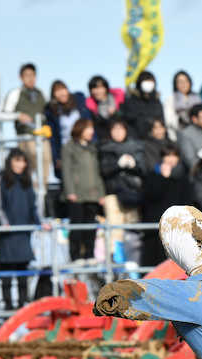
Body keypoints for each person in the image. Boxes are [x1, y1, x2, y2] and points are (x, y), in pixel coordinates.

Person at [0, 148, 39, 311]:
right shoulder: (1, 179)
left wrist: (39, 222)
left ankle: (22, 304)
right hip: (7, 233)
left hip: (23, 232)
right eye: (17, 160)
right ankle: (8, 304)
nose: (20, 164)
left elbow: (33, 206)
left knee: (23, 270)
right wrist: (4, 223)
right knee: (6, 269)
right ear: (10, 161)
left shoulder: (27, 181)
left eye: (23, 161)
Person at [99, 120, 146, 267]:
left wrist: (134, 165)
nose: (118, 132)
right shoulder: (105, 149)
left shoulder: (137, 147)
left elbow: (144, 170)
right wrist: (117, 165)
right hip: (113, 194)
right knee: (115, 231)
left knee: (133, 230)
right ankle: (117, 264)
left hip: (133, 194)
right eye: (114, 129)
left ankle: (134, 264)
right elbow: (103, 171)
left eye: (121, 129)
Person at [61, 119, 105, 261]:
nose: (91, 132)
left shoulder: (92, 148)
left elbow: (97, 172)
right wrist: (70, 191)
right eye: (88, 128)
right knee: (77, 227)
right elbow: (66, 171)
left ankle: (90, 254)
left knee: (91, 227)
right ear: (80, 129)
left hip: (92, 194)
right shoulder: (69, 147)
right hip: (77, 194)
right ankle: (75, 256)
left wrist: (101, 193)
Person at [0, 64, 50, 184]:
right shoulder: (15, 93)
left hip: (43, 138)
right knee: (27, 170)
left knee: (44, 170)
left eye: (32, 75)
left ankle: (42, 197)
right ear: (21, 78)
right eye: (27, 76)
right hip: (26, 138)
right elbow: (1, 114)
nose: (30, 78)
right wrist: (18, 116)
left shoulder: (41, 93)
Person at [141, 146, 190, 267]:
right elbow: (151, 196)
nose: (170, 159)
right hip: (155, 228)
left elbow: (187, 201)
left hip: (176, 228)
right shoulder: (153, 175)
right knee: (154, 264)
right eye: (167, 155)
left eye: (174, 155)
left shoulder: (184, 177)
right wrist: (163, 178)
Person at [45, 80, 91, 179]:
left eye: (63, 89)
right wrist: (56, 158)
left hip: (84, 145)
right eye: (57, 91)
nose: (61, 93)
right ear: (54, 95)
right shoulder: (52, 112)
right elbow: (53, 138)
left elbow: (89, 123)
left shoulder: (79, 102)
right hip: (66, 149)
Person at [121, 70, 165, 141]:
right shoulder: (131, 100)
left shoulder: (157, 101)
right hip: (136, 140)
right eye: (145, 81)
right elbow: (129, 120)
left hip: (155, 140)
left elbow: (161, 121)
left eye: (150, 81)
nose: (148, 84)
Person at [84, 75, 125, 142]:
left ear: (106, 88)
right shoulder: (90, 108)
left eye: (100, 87)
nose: (97, 91)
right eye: (94, 88)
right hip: (104, 143)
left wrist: (116, 113)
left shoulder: (118, 100)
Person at [164, 70, 201, 140]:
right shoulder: (171, 99)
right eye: (180, 82)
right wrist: (181, 120)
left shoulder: (197, 98)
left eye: (186, 81)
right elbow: (168, 120)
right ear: (175, 84)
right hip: (178, 136)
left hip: (197, 135)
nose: (183, 84)